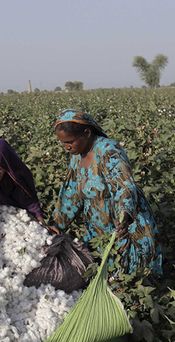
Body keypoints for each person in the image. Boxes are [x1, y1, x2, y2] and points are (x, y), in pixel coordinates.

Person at [49, 109, 162, 276]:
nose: (67, 147)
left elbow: (123, 186)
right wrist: (57, 223)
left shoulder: (108, 150)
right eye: (63, 143)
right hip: (96, 228)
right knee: (101, 273)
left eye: (70, 142)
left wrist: (124, 217)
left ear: (87, 133)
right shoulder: (76, 156)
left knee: (126, 275)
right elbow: (71, 192)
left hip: (123, 224)